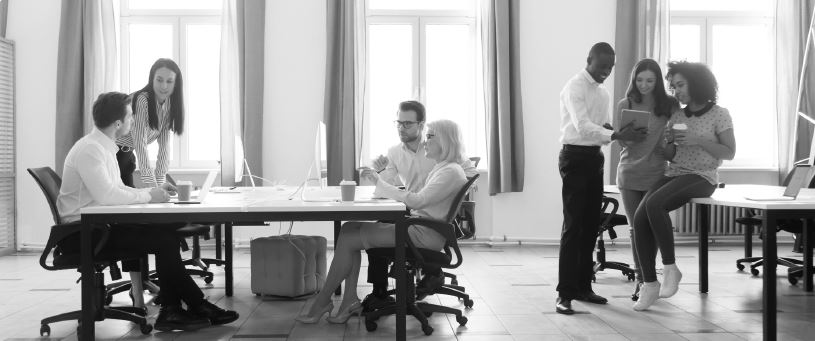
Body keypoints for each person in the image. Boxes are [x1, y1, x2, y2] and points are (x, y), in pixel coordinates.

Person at [56, 92, 238, 332]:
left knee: (166, 232)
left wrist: (153, 191)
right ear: (118, 123)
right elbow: (108, 196)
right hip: (83, 234)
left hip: (99, 227)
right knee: (164, 240)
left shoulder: (103, 147)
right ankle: (192, 306)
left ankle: (176, 309)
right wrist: (148, 196)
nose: (133, 121)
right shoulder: (90, 150)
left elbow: (118, 189)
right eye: (130, 116)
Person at [296, 119, 468, 324]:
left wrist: (379, 182)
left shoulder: (449, 171)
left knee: (349, 238)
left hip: (421, 235)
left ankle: (323, 301)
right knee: (348, 229)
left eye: (430, 137)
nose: (425, 142)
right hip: (418, 229)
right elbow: (418, 200)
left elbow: (417, 200)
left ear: (445, 142)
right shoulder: (444, 168)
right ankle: (348, 300)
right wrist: (384, 180)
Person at [632, 61, 736, 311]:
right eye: (673, 86)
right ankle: (649, 284)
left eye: (680, 85)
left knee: (655, 204)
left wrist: (697, 139)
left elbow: (730, 152)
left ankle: (670, 268)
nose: (676, 91)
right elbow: (671, 154)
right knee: (638, 218)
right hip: (676, 172)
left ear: (697, 84)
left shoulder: (719, 114)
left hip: (703, 176)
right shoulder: (677, 114)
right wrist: (666, 144)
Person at [556, 42, 646, 315]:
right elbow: (582, 126)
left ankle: (584, 287)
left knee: (590, 225)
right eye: (602, 66)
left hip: (594, 158)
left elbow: (601, 127)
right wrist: (616, 135)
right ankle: (565, 293)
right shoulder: (575, 87)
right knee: (573, 226)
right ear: (589, 60)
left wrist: (617, 130)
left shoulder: (604, 93)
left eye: (610, 67)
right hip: (574, 158)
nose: (606, 72)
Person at [362, 100, 476, 312]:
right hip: (412, 204)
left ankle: (430, 271)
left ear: (421, 125)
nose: (401, 128)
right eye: (398, 123)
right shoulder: (394, 152)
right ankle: (380, 291)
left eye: (407, 124)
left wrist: (446, 195)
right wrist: (379, 172)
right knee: (380, 224)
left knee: (377, 232)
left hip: (433, 210)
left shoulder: (438, 148)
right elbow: (384, 187)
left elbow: (470, 174)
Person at [115, 58, 186, 296]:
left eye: (169, 81)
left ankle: (149, 282)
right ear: (151, 78)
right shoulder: (142, 100)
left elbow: (164, 147)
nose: (164, 85)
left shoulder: (169, 103)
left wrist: (161, 182)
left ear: (176, 84)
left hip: (128, 157)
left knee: (145, 216)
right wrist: (154, 189)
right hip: (115, 156)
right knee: (128, 222)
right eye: (159, 79)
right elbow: (141, 146)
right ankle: (136, 289)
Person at [613, 59, 678, 299]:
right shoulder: (626, 103)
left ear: (658, 81)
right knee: (635, 229)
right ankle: (643, 280)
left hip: (658, 173)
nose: (644, 85)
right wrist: (631, 136)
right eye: (640, 80)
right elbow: (622, 141)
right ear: (634, 80)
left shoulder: (669, 104)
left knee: (651, 226)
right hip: (629, 172)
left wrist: (671, 142)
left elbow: (678, 134)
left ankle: (650, 276)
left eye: (650, 80)